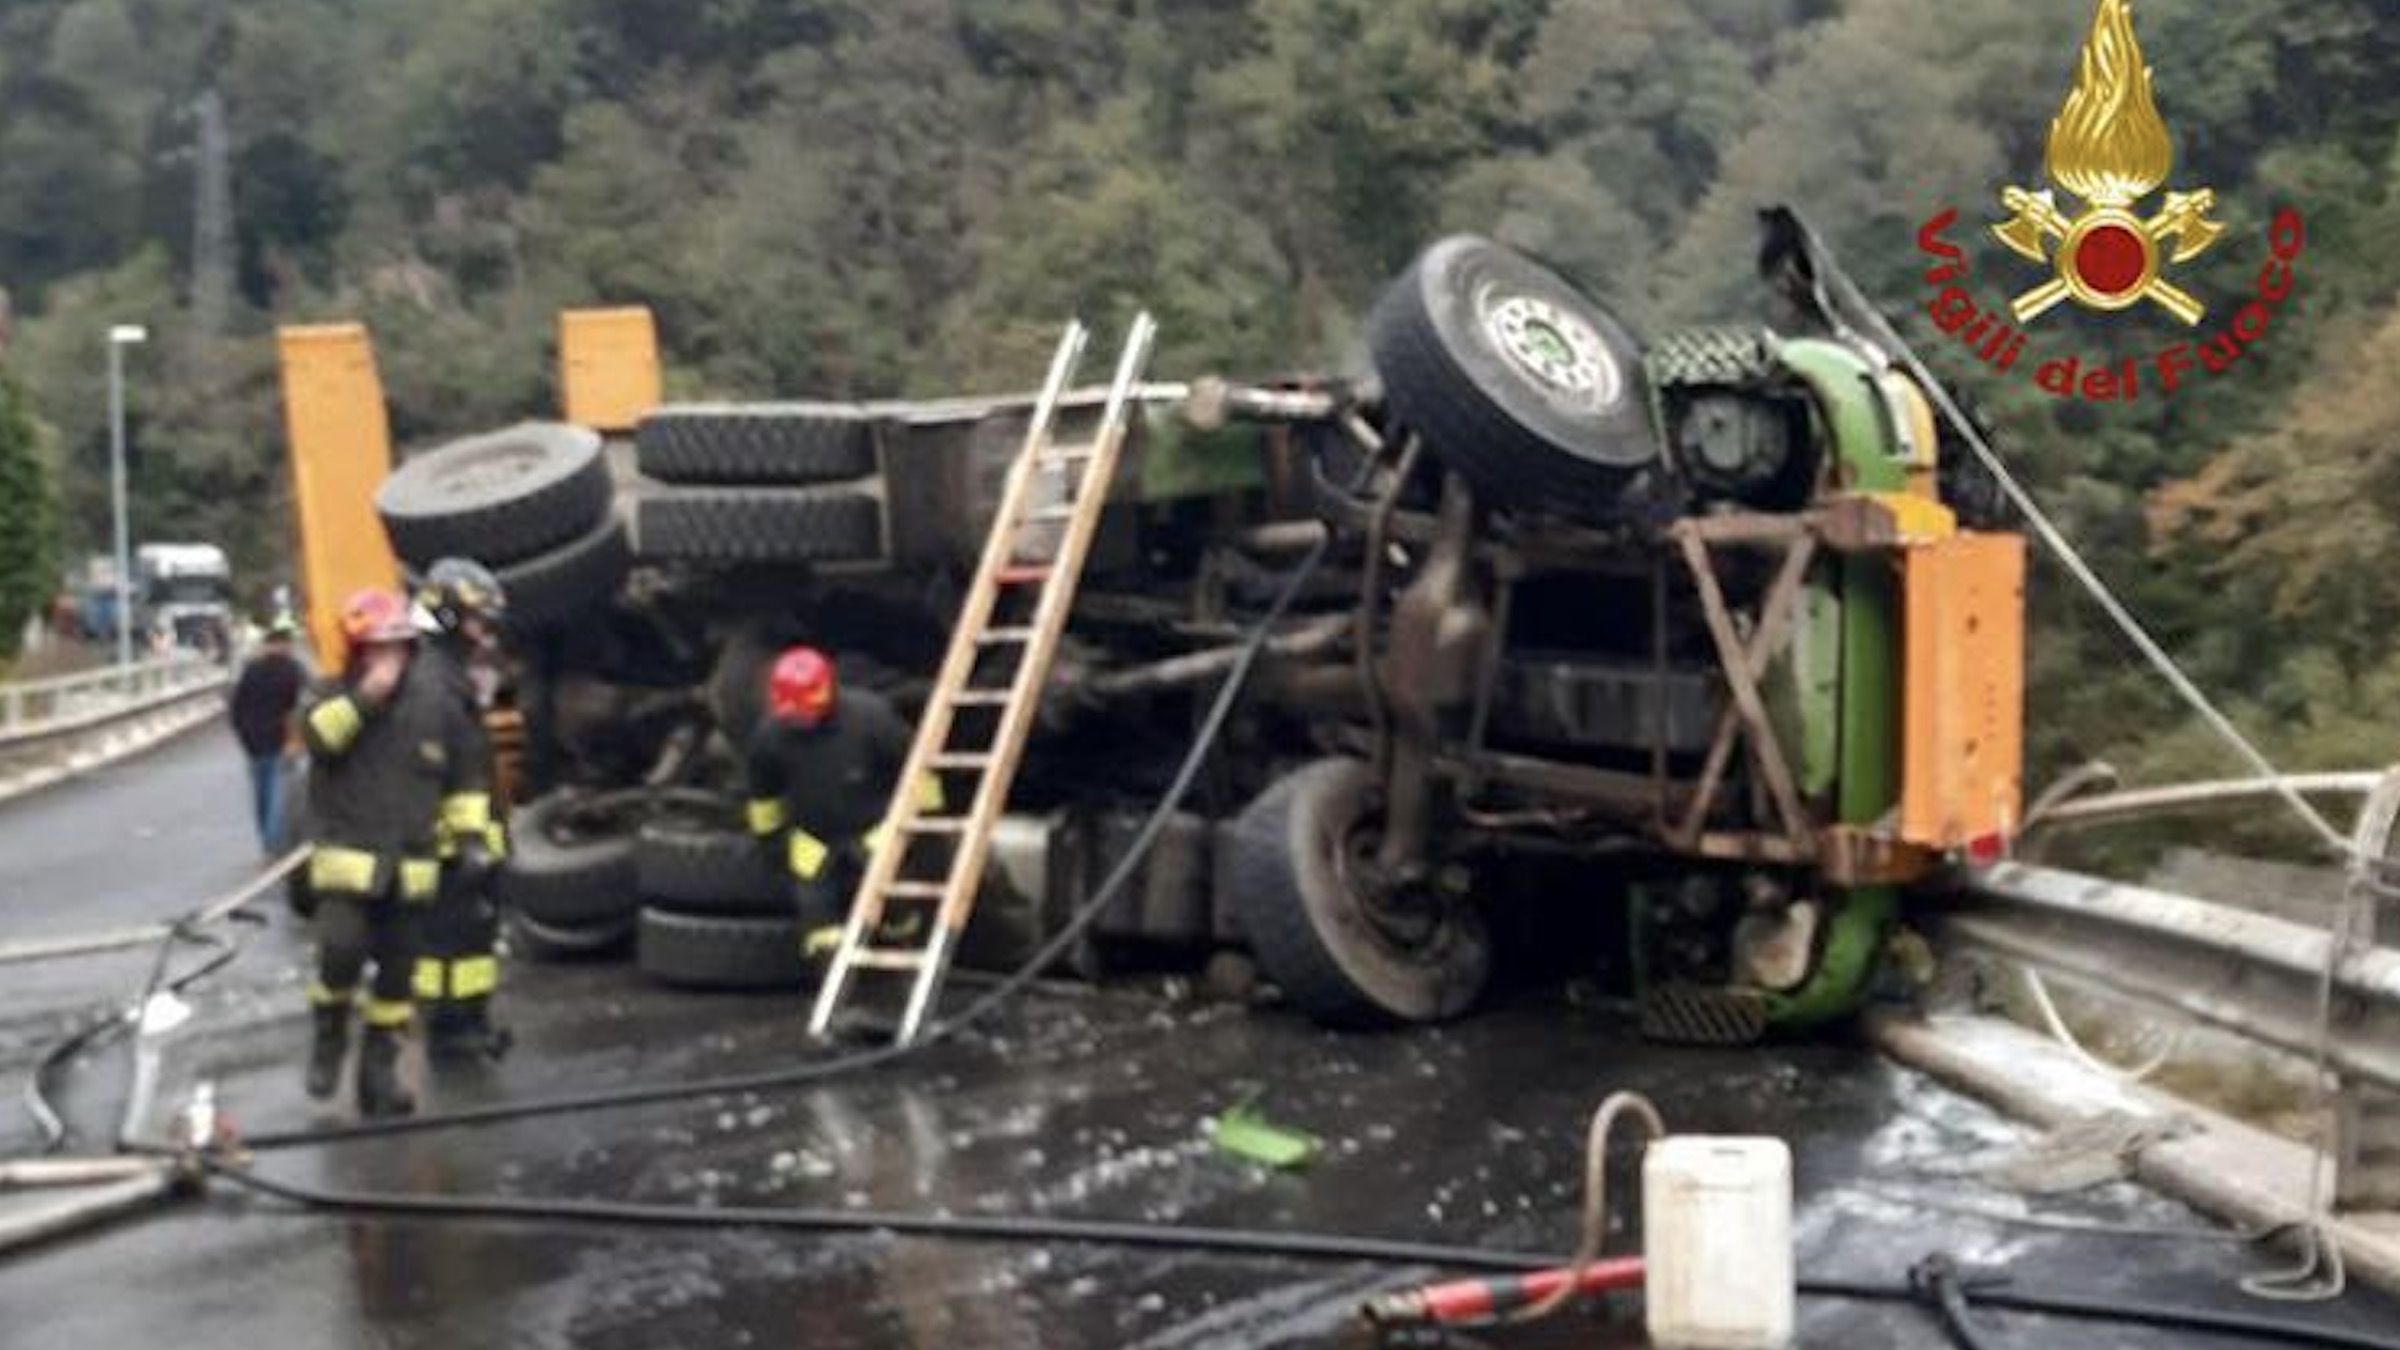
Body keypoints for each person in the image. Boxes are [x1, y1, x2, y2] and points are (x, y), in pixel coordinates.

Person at [296, 588, 484, 1118]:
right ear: (357, 650)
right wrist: (366, 698)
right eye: (379, 649)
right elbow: (317, 739)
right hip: (347, 863)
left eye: (399, 648)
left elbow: (465, 775)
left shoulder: (436, 709)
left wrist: (468, 840)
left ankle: (378, 1074)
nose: (391, 659)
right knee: (341, 952)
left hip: (413, 866)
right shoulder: (329, 695)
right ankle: (329, 1037)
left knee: (399, 977)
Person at [742, 646, 931, 966]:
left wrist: (919, 824)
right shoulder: (770, 736)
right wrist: (776, 845)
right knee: (816, 914)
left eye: (805, 712)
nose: (799, 721)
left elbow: (918, 770)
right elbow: (764, 798)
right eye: (792, 714)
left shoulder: (872, 719)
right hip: (812, 836)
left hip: (874, 828)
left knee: (895, 899)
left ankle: (904, 959)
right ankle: (830, 979)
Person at [407, 558, 512, 1064]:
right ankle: (449, 1028)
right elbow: (453, 768)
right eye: (476, 618)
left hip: (461, 844)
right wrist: (469, 842)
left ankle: (469, 1021)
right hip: (449, 848)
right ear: (448, 616)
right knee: (447, 943)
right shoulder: (434, 682)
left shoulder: (446, 674)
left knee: (471, 942)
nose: (484, 630)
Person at [228, 617, 307, 854]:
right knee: (278, 795)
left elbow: (236, 707)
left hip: (253, 742)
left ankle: (266, 838)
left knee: (261, 793)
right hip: (282, 739)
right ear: (285, 644)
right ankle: (274, 844)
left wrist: (243, 734)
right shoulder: (294, 670)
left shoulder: (251, 670)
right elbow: (302, 705)